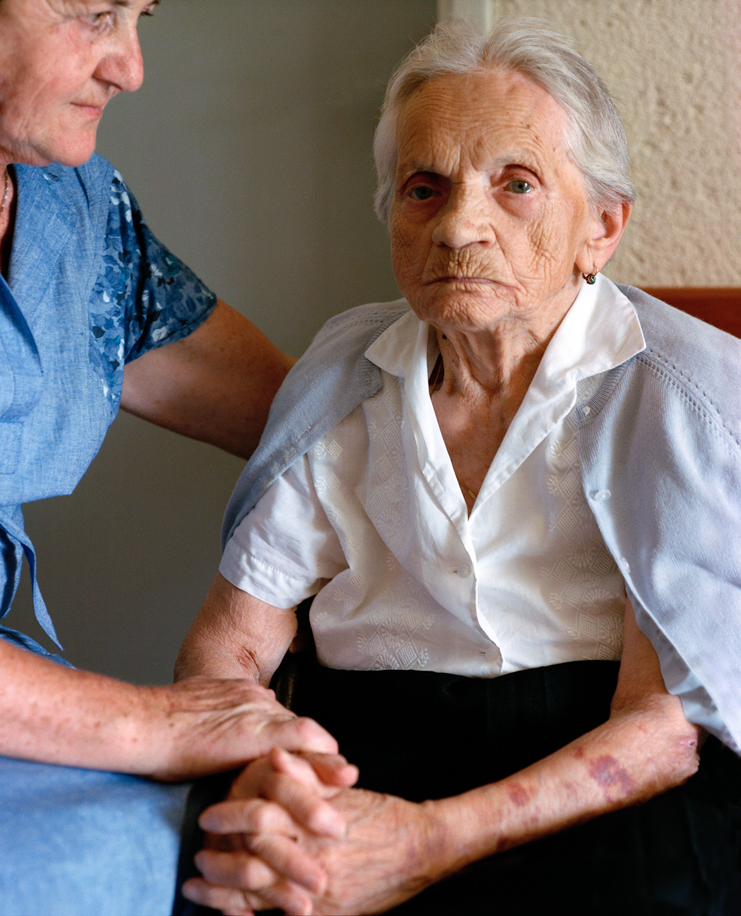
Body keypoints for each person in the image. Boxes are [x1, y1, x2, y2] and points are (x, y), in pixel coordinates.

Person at [176, 18, 741, 916]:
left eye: (515, 185)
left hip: (601, 765)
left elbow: (663, 729)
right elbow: (231, 645)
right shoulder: (341, 377)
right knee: (232, 875)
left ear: (601, 226)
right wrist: (277, 781)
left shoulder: (687, 391)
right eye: (423, 189)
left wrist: (426, 842)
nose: (458, 227)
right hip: (354, 741)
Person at [0, 2, 356, 913]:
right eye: (95, 14)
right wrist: (156, 723)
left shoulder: (71, 209)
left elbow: (308, 433)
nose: (130, 67)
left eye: (140, 16)